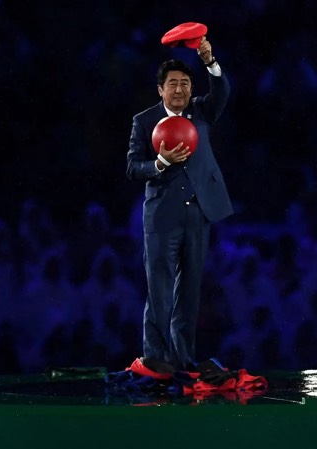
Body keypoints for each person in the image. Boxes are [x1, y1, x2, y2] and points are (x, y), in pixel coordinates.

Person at [125, 36, 233, 371]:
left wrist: (210, 61)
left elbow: (222, 94)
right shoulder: (144, 121)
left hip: (198, 213)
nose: (179, 89)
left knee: (189, 291)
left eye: (185, 83)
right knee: (159, 288)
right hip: (162, 217)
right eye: (173, 84)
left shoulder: (200, 111)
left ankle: (183, 358)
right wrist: (160, 163)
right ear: (160, 90)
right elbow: (133, 168)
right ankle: (155, 358)